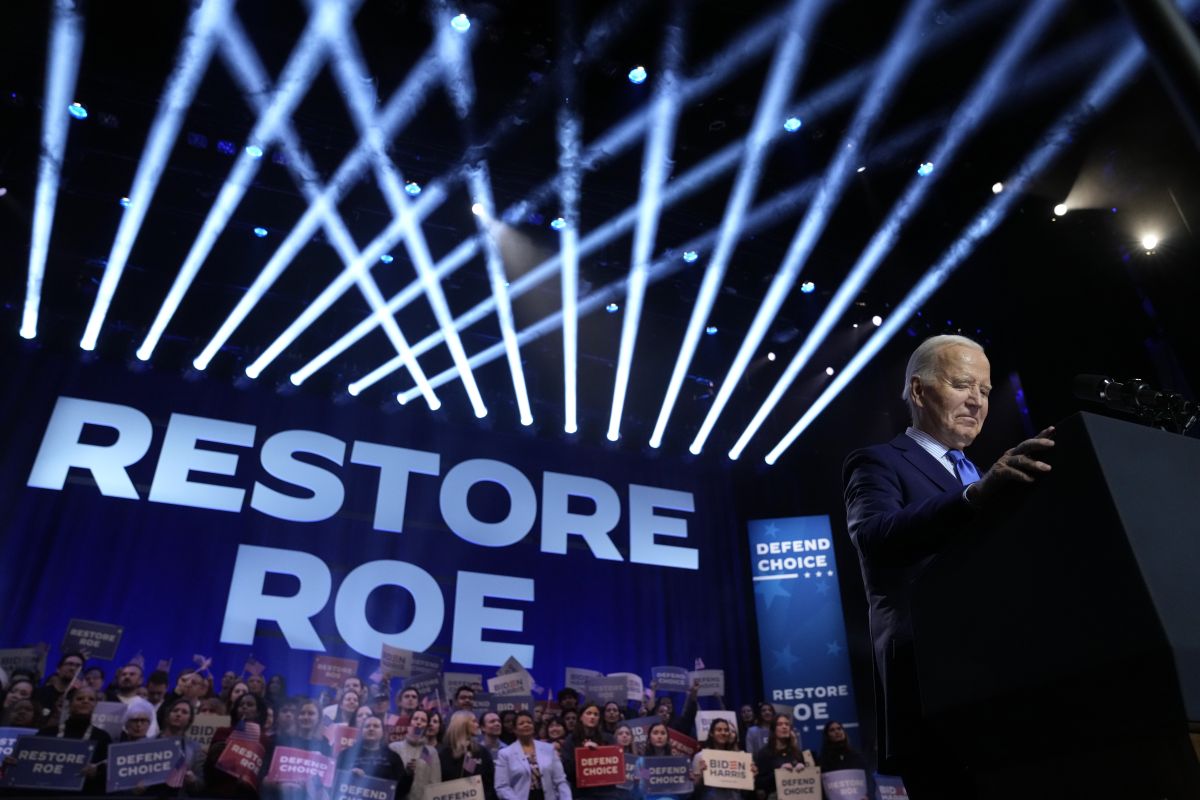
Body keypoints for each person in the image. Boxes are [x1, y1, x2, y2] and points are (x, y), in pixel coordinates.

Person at [843, 335, 1054, 798]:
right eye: (963, 385)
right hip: (934, 685)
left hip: (1011, 682)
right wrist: (972, 498)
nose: (977, 401)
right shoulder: (879, 463)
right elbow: (875, 536)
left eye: (984, 389)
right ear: (919, 391)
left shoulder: (985, 475)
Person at [37, 684, 112, 795]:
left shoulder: (103, 737)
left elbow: (109, 772)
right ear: (69, 704)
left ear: (95, 705)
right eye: (80, 698)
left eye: (91, 699)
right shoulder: (47, 732)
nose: (85, 701)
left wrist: (97, 772)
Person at [496, 710, 572, 800]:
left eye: (529, 722)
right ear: (514, 729)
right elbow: (502, 787)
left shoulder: (549, 749)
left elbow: (560, 781)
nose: (526, 725)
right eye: (521, 723)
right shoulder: (505, 754)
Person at [338, 714, 412, 787]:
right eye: (367, 726)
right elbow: (335, 780)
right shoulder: (346, 755)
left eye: (376, 726)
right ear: (361, 732)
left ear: (383, 732)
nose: (371, 729)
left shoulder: (393, 757)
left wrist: (409, 774)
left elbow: (402, 788)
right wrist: (348, 776)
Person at [440, 709, 498, 800]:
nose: (477, 725)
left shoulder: (481, 752)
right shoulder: (443, 754)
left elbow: (490, 783)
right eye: (474, 721)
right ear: (462, 724)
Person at [752, 715, 813, 800]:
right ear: (773, 729)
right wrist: (779, 773)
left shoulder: (797, 752)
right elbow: (759, 783)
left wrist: (804, 771)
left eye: (787, 724)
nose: (784, 727)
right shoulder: (764, 753)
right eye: (780, 724)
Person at [388, 707, 442, 800]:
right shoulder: (394, 747)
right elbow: (388, 779)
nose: (418, 722)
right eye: (415, 719)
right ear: (409, 723)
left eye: (423, 720)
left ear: (426, 726)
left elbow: (435, 783)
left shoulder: (431, 752)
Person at [158, 696, 205, 796]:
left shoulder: (195, 748)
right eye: (175, 710)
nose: (178, 714)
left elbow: (200, 785)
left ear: (190, 720)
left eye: (184, 712)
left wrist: (193, 780)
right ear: (168, 715)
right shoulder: (147, 743)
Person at [694, 719, 751, 800]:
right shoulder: (701, 757)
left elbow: (743, 789)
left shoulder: (738, 757)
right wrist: (701, 776)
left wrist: (750, 777)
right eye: (719, 730)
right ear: (711, 733)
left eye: (726, 730)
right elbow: (694, 788)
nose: (723, 733)